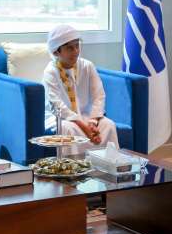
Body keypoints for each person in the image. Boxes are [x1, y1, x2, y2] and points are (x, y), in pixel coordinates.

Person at [41, 24, 119, 156]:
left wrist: (93, 122)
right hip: (61, 118)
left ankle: (109, 165)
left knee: (108, 125)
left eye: (77, 46)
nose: (76, 51)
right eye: (70, 48)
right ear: (56, 52)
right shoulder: (51, 72)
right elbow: (57, 105)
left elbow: (98, 95)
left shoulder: (87, 66)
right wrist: (85, 128)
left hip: (87, 116)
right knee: (67, 129)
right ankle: (73, 167)